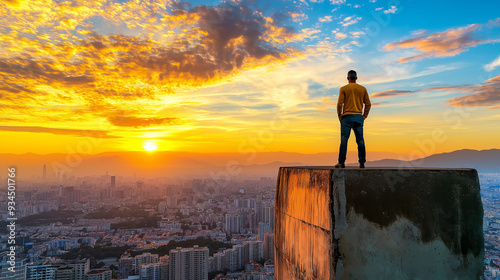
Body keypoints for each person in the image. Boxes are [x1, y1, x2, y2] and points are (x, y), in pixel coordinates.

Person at [335, 70, 371, 168]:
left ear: (348, 78)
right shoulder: (362, 89)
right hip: (358, 117)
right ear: (356, 78)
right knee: (360, 140)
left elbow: (339, 104)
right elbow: (368, 104)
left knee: (344, 140)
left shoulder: (344, 89)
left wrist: (340, 115)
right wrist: (364, 116)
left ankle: (341, 162)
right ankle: (362, 162)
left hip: (346, 117)